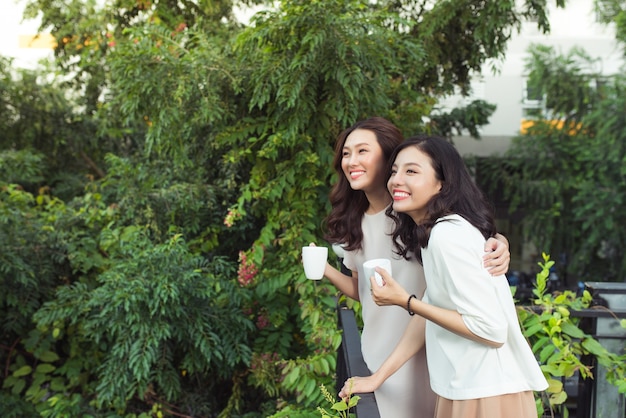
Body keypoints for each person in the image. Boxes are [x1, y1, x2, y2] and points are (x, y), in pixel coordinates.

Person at [316, 118, 512, 418]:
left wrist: (498, 241)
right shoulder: (353, 220)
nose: (351, 161)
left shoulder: (414, 211)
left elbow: (461, 232)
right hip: (377, 352)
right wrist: (326, 271)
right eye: (346, 153)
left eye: (363, 151)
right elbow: (365, 292)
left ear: (388, 156)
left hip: (428, 354)